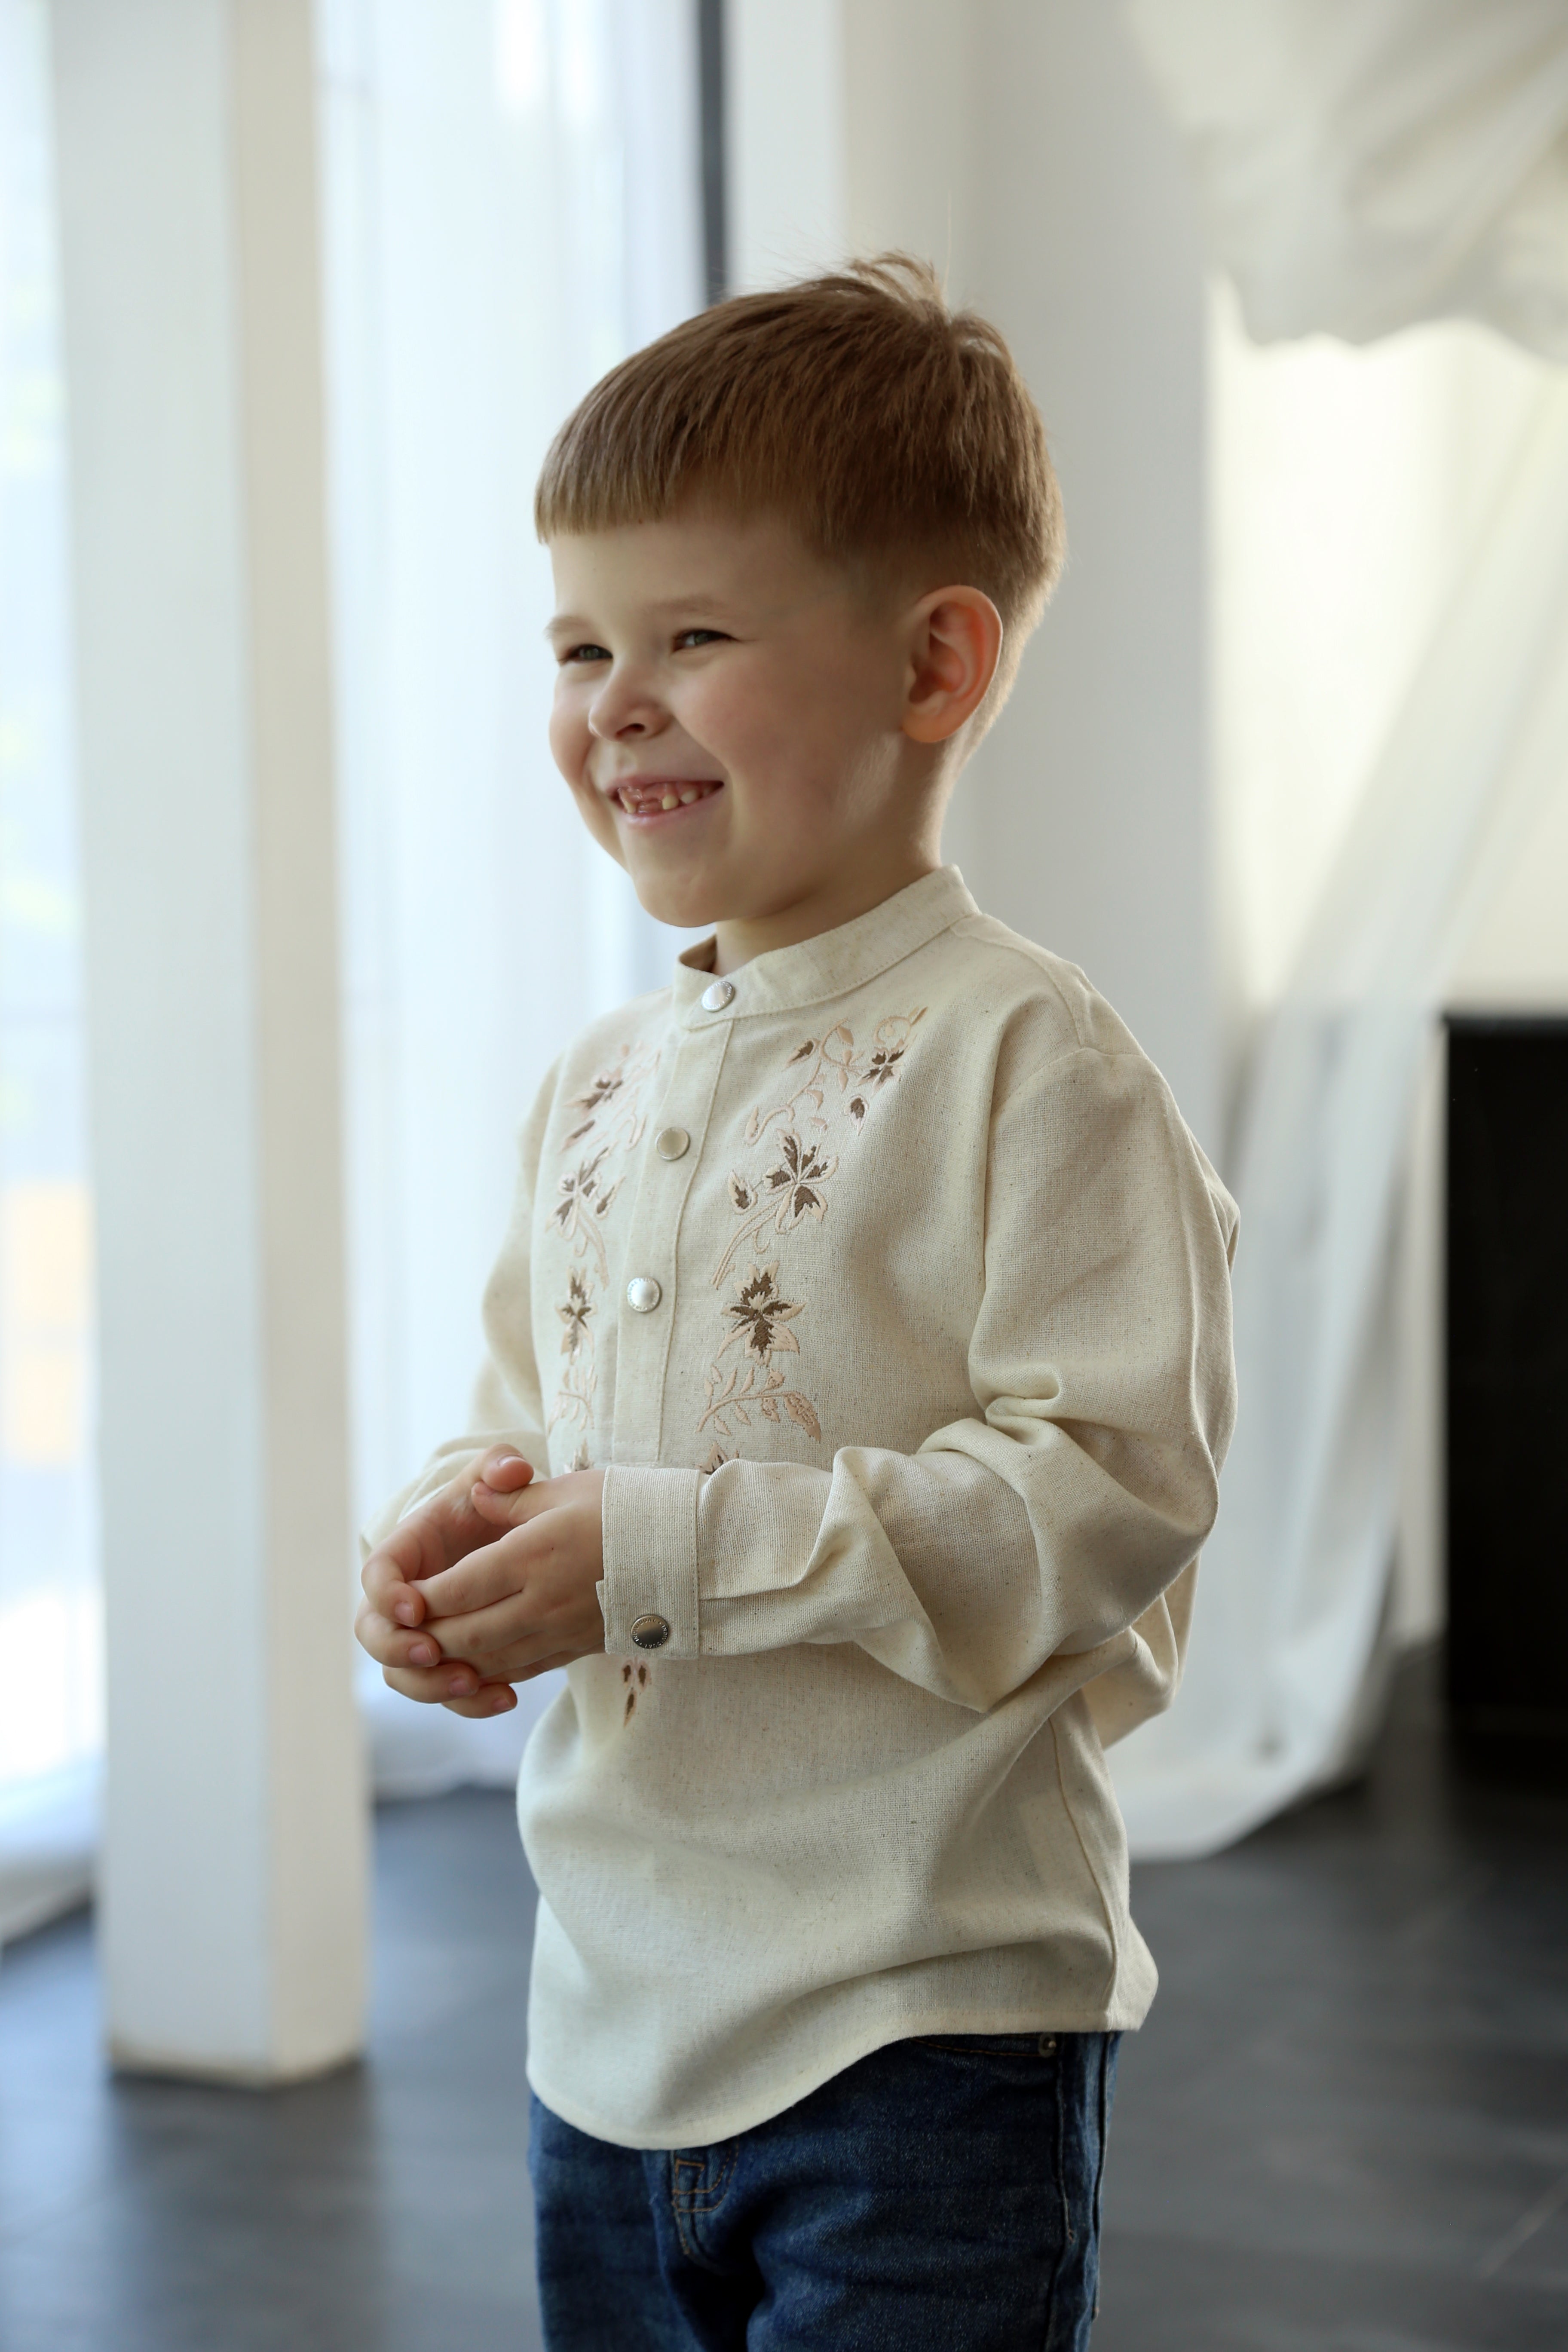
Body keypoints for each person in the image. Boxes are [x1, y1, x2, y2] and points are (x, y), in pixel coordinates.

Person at [356, 255, 1238, 2351]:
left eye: (695, 636)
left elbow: (1105, 1499)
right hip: (608, 2019)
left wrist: (660, 1551)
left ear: (937, 665)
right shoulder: (589, 1084)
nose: (612, 701)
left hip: (923, 2028)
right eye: (578, 643)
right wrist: (449, 1542)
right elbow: (523, 1412)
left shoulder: (1040, 1066)